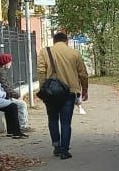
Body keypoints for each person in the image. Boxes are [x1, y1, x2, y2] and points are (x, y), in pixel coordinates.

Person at [36, 32, 89, 160]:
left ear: (54, 41)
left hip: (51, 93)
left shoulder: (45, 52)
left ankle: (56, 146)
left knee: (53, 119)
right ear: (67, 41)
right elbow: (83, 74)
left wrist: (44, 88)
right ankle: (65, 150)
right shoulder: (74, 53)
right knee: (66, 122)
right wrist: (85, 90)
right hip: (69, 92)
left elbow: (41, 71)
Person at [0, 53, 29, 131]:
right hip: (1, 96)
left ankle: (22, 125)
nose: (10, 63)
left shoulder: (0, 71)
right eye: (9, 61)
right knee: (22, 104)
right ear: (5, 63)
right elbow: (5, 87)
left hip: (1, 94)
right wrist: (17, 95)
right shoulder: (0, 72)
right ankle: (23, 126)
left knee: (20, 102)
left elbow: (7, 86)